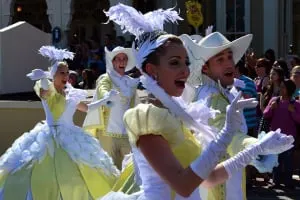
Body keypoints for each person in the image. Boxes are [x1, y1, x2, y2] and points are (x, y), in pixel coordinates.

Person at [99, 4, 294, 200]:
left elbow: (208, 178)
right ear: (151, 70)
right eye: (175, 62)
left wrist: (256, 149)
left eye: (186, 62)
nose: (185, 70)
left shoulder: (181, 116)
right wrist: (227, 135)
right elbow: (183, 185)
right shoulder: (147, 118)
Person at [0, 46, 120, 200]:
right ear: (53, 75)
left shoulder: (71, 94)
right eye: (61, 72)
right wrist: (43, 77)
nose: (66, 75)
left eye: (67, 72)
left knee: (83, 171)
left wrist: (106, 99)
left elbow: (88, 107)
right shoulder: (49, 91)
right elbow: (44, 91)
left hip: (72, 136)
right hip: (50, 136)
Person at [179, 33, 282, 200]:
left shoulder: (221, 92)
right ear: (205, 68)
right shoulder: (212, 98)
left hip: (229, 180)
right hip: (220, 188)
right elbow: (229, 137)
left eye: (229, 57)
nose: (229, 64)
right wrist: (258, 145)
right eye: (220, 60)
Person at [83, 46, 139, 169]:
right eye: (118, 59)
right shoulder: (106, 78)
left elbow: (136, 105)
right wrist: (107, 96)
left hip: (126, 133)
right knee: (109, 169)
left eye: (124, 59)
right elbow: (102, 89)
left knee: (129, 169)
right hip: (107, 134)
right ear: (113, 61)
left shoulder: (130, 82)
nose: (122, 61)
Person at [264, 79, 300, 189]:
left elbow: (299, 120)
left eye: (284, 87)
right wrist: (271, 108)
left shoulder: (296, 104)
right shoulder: (274, 100)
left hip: (289, 138)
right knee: (275, 160)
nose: (281, 89)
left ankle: (288, 182)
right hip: (275, 137)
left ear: (289, 90)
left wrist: (293, 111)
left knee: (288, 160)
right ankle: (276, 181)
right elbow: (265, 115)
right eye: (281, 86)